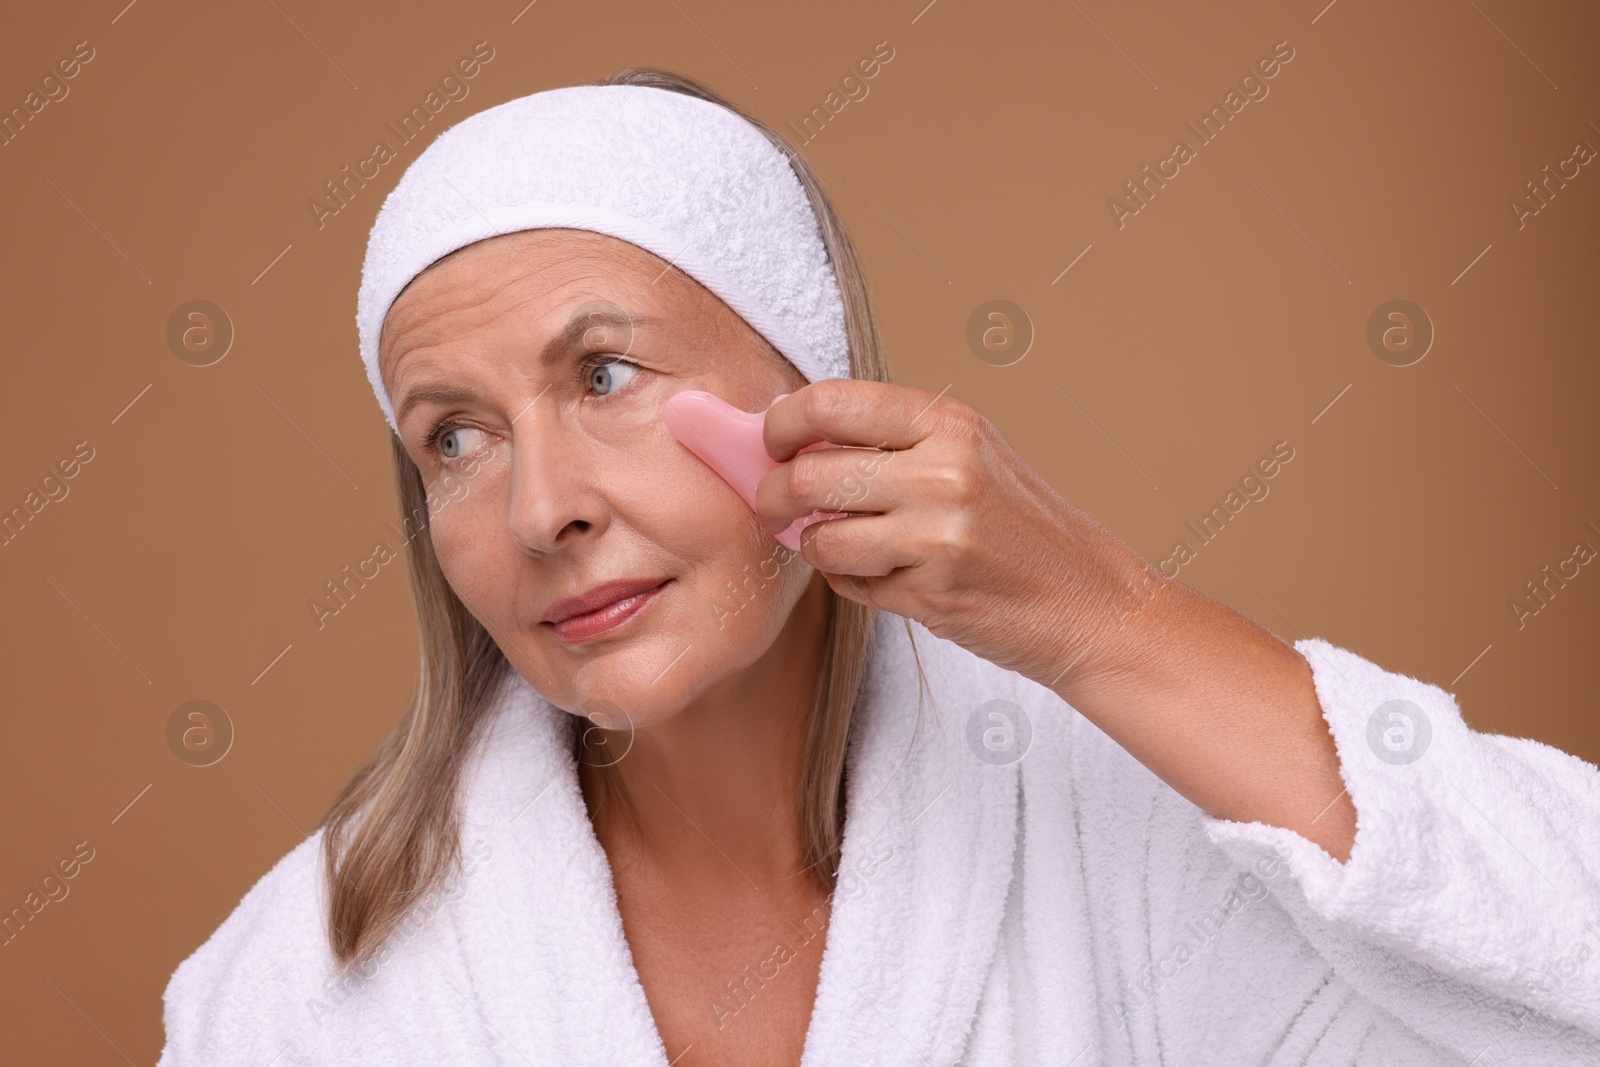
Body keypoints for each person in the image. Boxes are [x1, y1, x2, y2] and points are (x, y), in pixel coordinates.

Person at [156, 68, 1600, 1066]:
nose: (540, 507)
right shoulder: (297, 987)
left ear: (817, 380)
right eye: (455, 438)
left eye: (604, 373)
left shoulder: (1113, 841)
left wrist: (1103, 619)